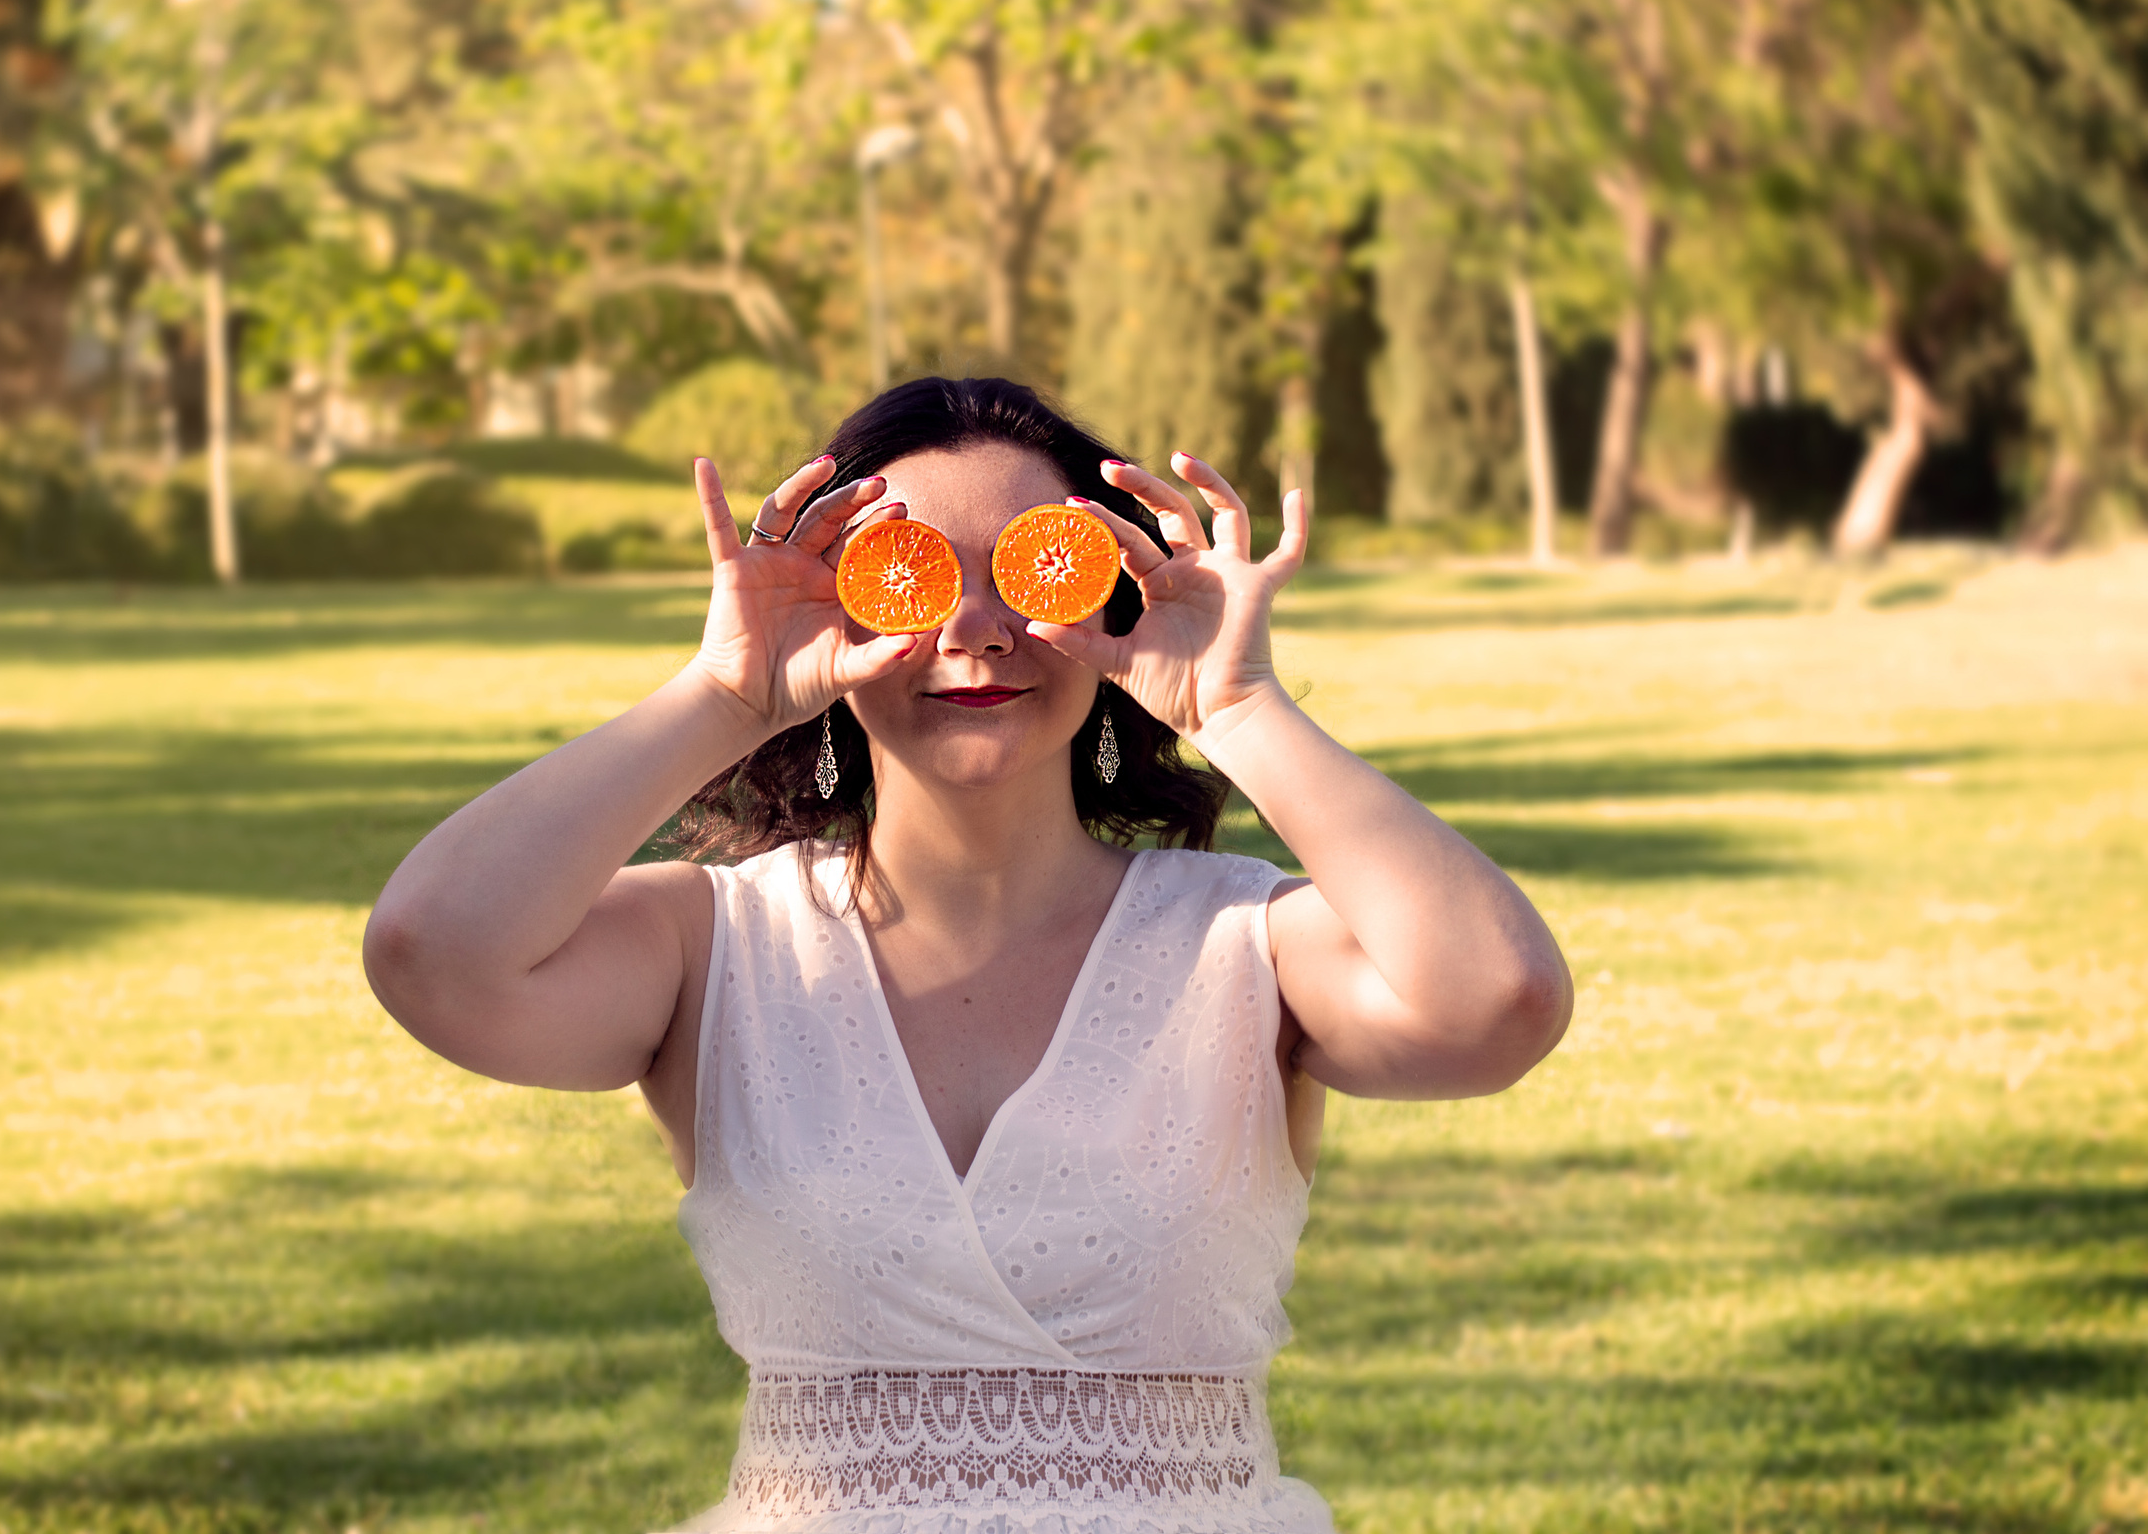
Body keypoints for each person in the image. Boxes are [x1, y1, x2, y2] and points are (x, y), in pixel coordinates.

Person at [364, 377, 1573, 1534]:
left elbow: (1497, 999)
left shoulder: (1248, 944)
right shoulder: (711, 947)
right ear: (834, 604)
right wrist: (725, 696)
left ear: (1108, 599)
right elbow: (433, 954)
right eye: (910, 573)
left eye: (1035, 571)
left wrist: (1239, 711)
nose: (978, 628)